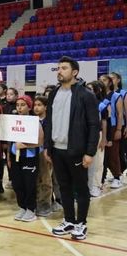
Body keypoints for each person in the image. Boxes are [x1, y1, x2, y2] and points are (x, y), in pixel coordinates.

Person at [45, 56, 99, 241]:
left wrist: (90, 152)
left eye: (64, 68)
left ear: (74, 72)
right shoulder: (53, 94)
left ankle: (81, 223)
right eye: (58, 68)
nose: (59, 71)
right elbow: (49, 123)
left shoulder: (86, 95)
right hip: (57, 150)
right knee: (64, 187)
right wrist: (48, 147)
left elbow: (94, 125)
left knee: (81, 189)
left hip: (76, 150)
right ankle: (69, 220)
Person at [9, 95, 44, 223]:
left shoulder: (35, 122)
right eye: (17, 105)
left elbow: (40, 142)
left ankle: (31, 209)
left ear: (29, 107)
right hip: (15, 157)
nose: (19, 107)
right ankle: (22, 207)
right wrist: (8, 156)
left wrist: (24, 145)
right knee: (17, 184)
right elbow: (9, 140)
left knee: (29, 184)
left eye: (22, 105)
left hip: (30, 157)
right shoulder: (13, 121)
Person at [86, 81, 108, 198]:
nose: (87, 91)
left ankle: (95, 185)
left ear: (96, 91)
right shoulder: (82, 104)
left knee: (98, 161)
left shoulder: (101, 105)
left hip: (97, 134)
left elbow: (104, 123)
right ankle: (87, 186)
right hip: (84, 134)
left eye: (90, 89)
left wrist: (104, 138)